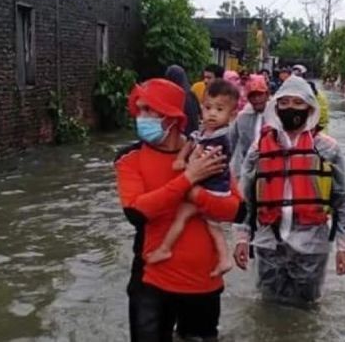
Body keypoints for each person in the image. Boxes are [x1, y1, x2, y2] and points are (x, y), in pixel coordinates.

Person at [115, 78, 245, 341]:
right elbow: (137, 212)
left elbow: (237, 211)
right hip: (152, 283)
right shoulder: (130, 158)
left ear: (173, 116)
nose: (142, 117)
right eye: (139, 110)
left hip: (204, 283)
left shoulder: (208, 150)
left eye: (150, 110)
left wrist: (195, 192)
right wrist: (188, 178)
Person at [233, 76, 345, 306]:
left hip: (312, 244)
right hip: (268, 241)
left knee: (306, 309)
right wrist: (241, 238)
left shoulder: (327, 148)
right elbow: (245, 198)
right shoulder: (259, 148)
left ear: (310, 107)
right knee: (268, 307)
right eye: (284, 102)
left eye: (298, 103)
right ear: (276, 107)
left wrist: (343, 247)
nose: (291, 108)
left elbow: (341, 201)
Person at [146, 80, 240, 276]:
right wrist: (182, 158)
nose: (212, 113)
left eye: (219, 109)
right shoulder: (206, 132)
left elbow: (206, 164)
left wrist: (187, 170)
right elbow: (192, 141)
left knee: (184, 214)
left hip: (212, 189)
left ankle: (165, 249)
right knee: (212, 225)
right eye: (208, 108)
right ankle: (223, 259)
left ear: (232, 115)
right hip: (211, 189)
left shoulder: (220, 138)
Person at [228, 75, 269, 177]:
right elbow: (230, 141)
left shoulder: (276, 114)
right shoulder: (242, 117)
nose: (257, 99)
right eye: (253, 96)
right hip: (246, 167)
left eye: (260, 95)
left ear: (267, 95)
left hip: (269, 166)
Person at [165, 65, 201, 136]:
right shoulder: (191, 93)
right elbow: (199, 113)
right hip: (193, 134)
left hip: (180, 135)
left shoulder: (174, 95)